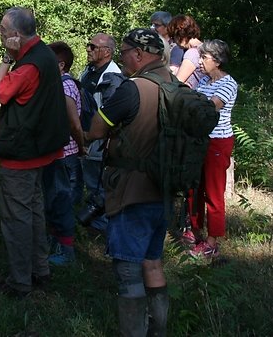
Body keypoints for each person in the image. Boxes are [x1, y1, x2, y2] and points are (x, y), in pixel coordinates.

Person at [86, 28, 172, 337]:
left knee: (127, 270)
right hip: (164, 188)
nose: (121, 59)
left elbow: (96, 130)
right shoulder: (175, 84)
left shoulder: (132, 89)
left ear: (139, 54)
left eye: (123, 53)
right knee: (153, 263)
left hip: (131, 191)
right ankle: (158, 332)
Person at [0, 7, 69, 297]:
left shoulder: (27, 66)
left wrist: (6, 59)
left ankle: (20, 282)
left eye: (1, 31)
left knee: (16, 219)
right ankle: (41, 270)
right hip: (41, 151)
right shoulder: (45, 54)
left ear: (15, 36)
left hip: (21, 156)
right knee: (34, 212)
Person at [188, 40, 238, 258]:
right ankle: (194, 230)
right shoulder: (204, 81)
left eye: (204, 58)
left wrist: (192, 104)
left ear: (216, 61)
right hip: (198, 140)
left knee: (214, 192)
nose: (199, 62)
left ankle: (212, 240)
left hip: (217, 142)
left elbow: (208, 109)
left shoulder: (228, 84)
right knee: (193, 188)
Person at [77, 32, 124, 232]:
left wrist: (103, 139)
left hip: (99, 140)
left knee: (100, 185)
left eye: (92, 46)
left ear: (107, 52)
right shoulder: (89, 70)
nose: (88, 49)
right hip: (85, 136)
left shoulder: (112, 76)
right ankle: (94, 223)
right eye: (89, 45)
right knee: (90, 182)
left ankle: (104, 227)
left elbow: (112, 113)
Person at [44, 41, 86, 266]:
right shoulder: (57, 84)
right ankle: (55, 242)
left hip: (65, 155)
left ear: (61, 65)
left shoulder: (65, 86)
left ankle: (66, 251)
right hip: (58, 154)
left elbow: (74, 123)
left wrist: (80, 148)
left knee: (62, 202)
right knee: (54, 201)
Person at [166, 14, 204, 89]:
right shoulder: (204, 48)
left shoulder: (192, 53)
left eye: (173, 37)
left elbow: (177, 82)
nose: (174, 41)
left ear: (179, 35)